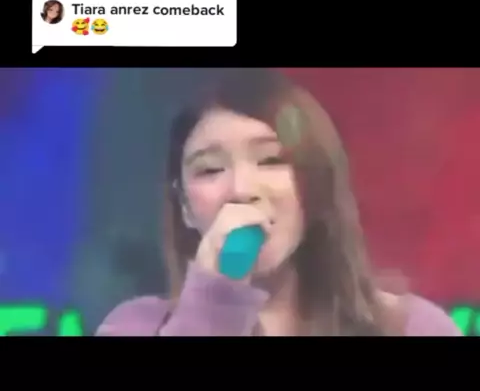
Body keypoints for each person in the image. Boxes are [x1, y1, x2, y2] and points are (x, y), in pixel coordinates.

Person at [96, 68, 462, 337]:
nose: (242, 190)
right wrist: (212, 307)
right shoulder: (134, 326)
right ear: (185, 207)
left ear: (315, 184)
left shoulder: (413, 327)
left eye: (271, 160)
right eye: (210, 169)